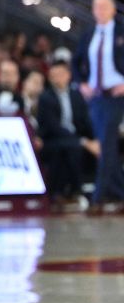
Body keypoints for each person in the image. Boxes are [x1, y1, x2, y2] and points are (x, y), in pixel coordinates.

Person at [73, 0, 124, 213]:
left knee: (106, 143)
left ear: (113, 9)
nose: (100, 11)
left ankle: (98, 198)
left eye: (104, 7)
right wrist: (81, 83)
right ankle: (120, 193)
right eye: (96, 7)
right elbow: (76, 62)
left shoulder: (121, 32)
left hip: (116, 94)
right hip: (96, 96)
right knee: (108, 146)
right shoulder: (89, 33)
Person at [38, 62, 97, 212]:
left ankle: (102, 190)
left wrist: (96, 139)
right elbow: (54, 128)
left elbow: (85, 121)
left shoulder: (76, 95)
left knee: (100, 146)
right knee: (71, 147)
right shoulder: (46, 98)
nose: (57, 78)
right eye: (53, 76)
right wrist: (83, 141)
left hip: (75, 138)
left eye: (60, 74)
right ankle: (76, 190)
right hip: (52, 140)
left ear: (68, 75)